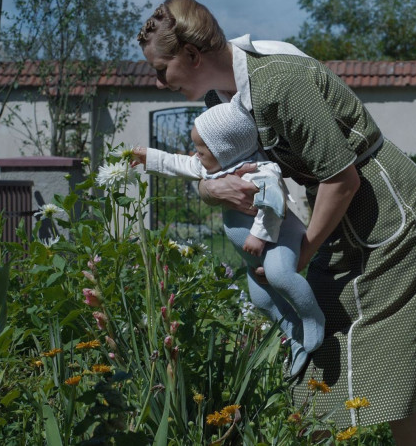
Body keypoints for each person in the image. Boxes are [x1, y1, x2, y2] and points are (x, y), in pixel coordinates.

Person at [136, 0, 416, 445]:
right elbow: (216, 167)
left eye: (161, 70)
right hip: (342, 220)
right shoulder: (224, 96)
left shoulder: (278, 83)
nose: (159, 83)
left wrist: (303, 252)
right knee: (318, 352)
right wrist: (209, 188)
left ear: (192, 55)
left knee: (389, 368)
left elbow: (343, 179)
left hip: (390, 216)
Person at [131, 94, 325, 377]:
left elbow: (274, 204)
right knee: (261, 300)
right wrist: (148, 156)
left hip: (278, 240)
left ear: (225, 149)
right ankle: (293, 332)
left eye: (201, 149)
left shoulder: (261, 171)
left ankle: (312, 318)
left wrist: (259, 236)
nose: (196, 154)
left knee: (281, 276)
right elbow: (178, 163)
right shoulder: (214, 168)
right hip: (252, 255)